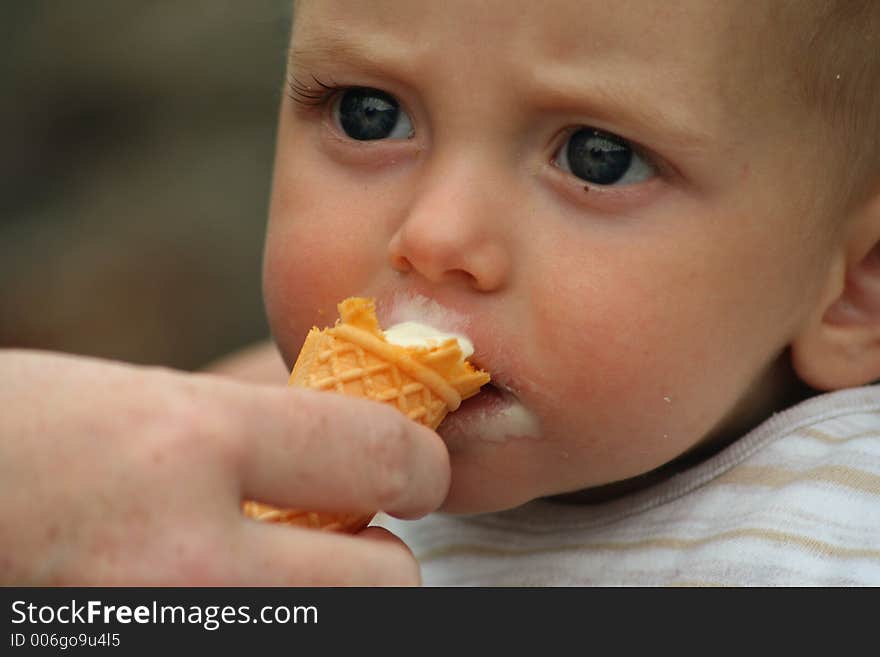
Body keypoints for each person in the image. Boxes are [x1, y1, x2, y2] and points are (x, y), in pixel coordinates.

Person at [3, 0, 880, 586]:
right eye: (366, 113)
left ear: (855, 291)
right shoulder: (211, 450)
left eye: (596, 158)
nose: (434, 235)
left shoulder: (832, 539)